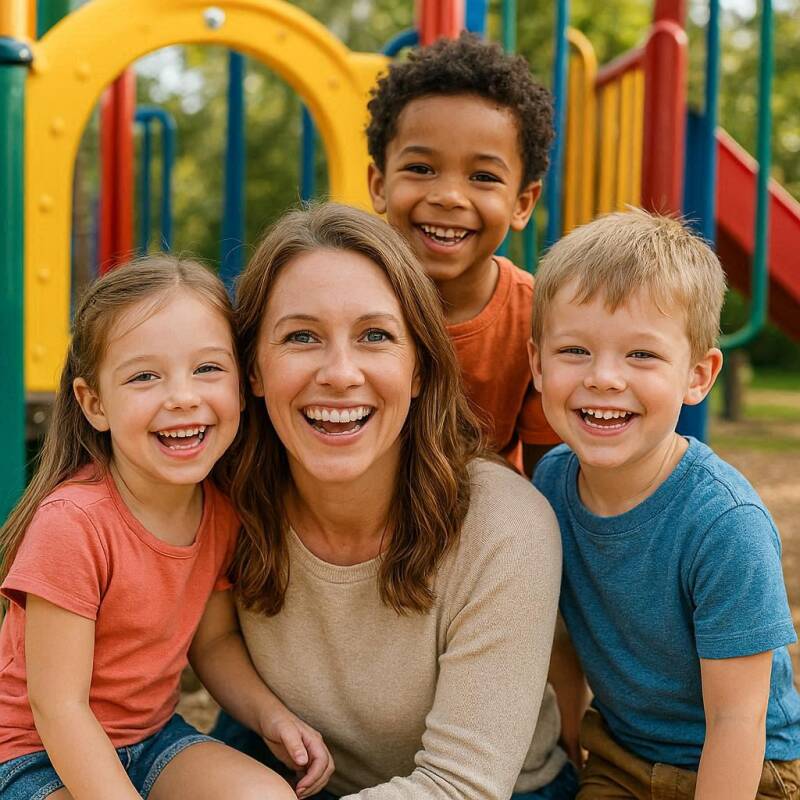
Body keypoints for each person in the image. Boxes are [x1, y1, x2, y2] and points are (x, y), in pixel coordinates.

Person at [210, 202, 563, 800]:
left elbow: (461, 787)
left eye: (375, 336)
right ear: (254, 370)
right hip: (295, 777)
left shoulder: (505, 527)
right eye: (301, 337)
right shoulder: (223, 499)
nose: (341, 373)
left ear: (419, 366)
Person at [0, 257, 332, 800]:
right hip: (37, 754)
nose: (182, 396)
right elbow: (57, 706)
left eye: (207, 369)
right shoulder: (74, 524)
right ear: (94, 403)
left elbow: (215, 641)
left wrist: (273, 718)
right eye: (144, 377)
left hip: (152, 741)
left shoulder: (219, 509)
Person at [529, 209, 800, 799]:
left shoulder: (723, 523)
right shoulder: (549, 484)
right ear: (537, 365)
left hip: (752, 771)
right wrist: (571, 755)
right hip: (622, 757)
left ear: (697, 375)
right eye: (574, 350)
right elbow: (562, 643)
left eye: (641, 356)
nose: (604, 378)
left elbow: (739, 720)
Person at [366, 32, 561, 479]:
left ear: (523, 203)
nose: (450, 196)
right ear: (379, 184)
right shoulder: (340, 297)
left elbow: (547, 485)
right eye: (421, 169)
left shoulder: (538, 319)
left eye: (483, 176)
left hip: (479, 521)